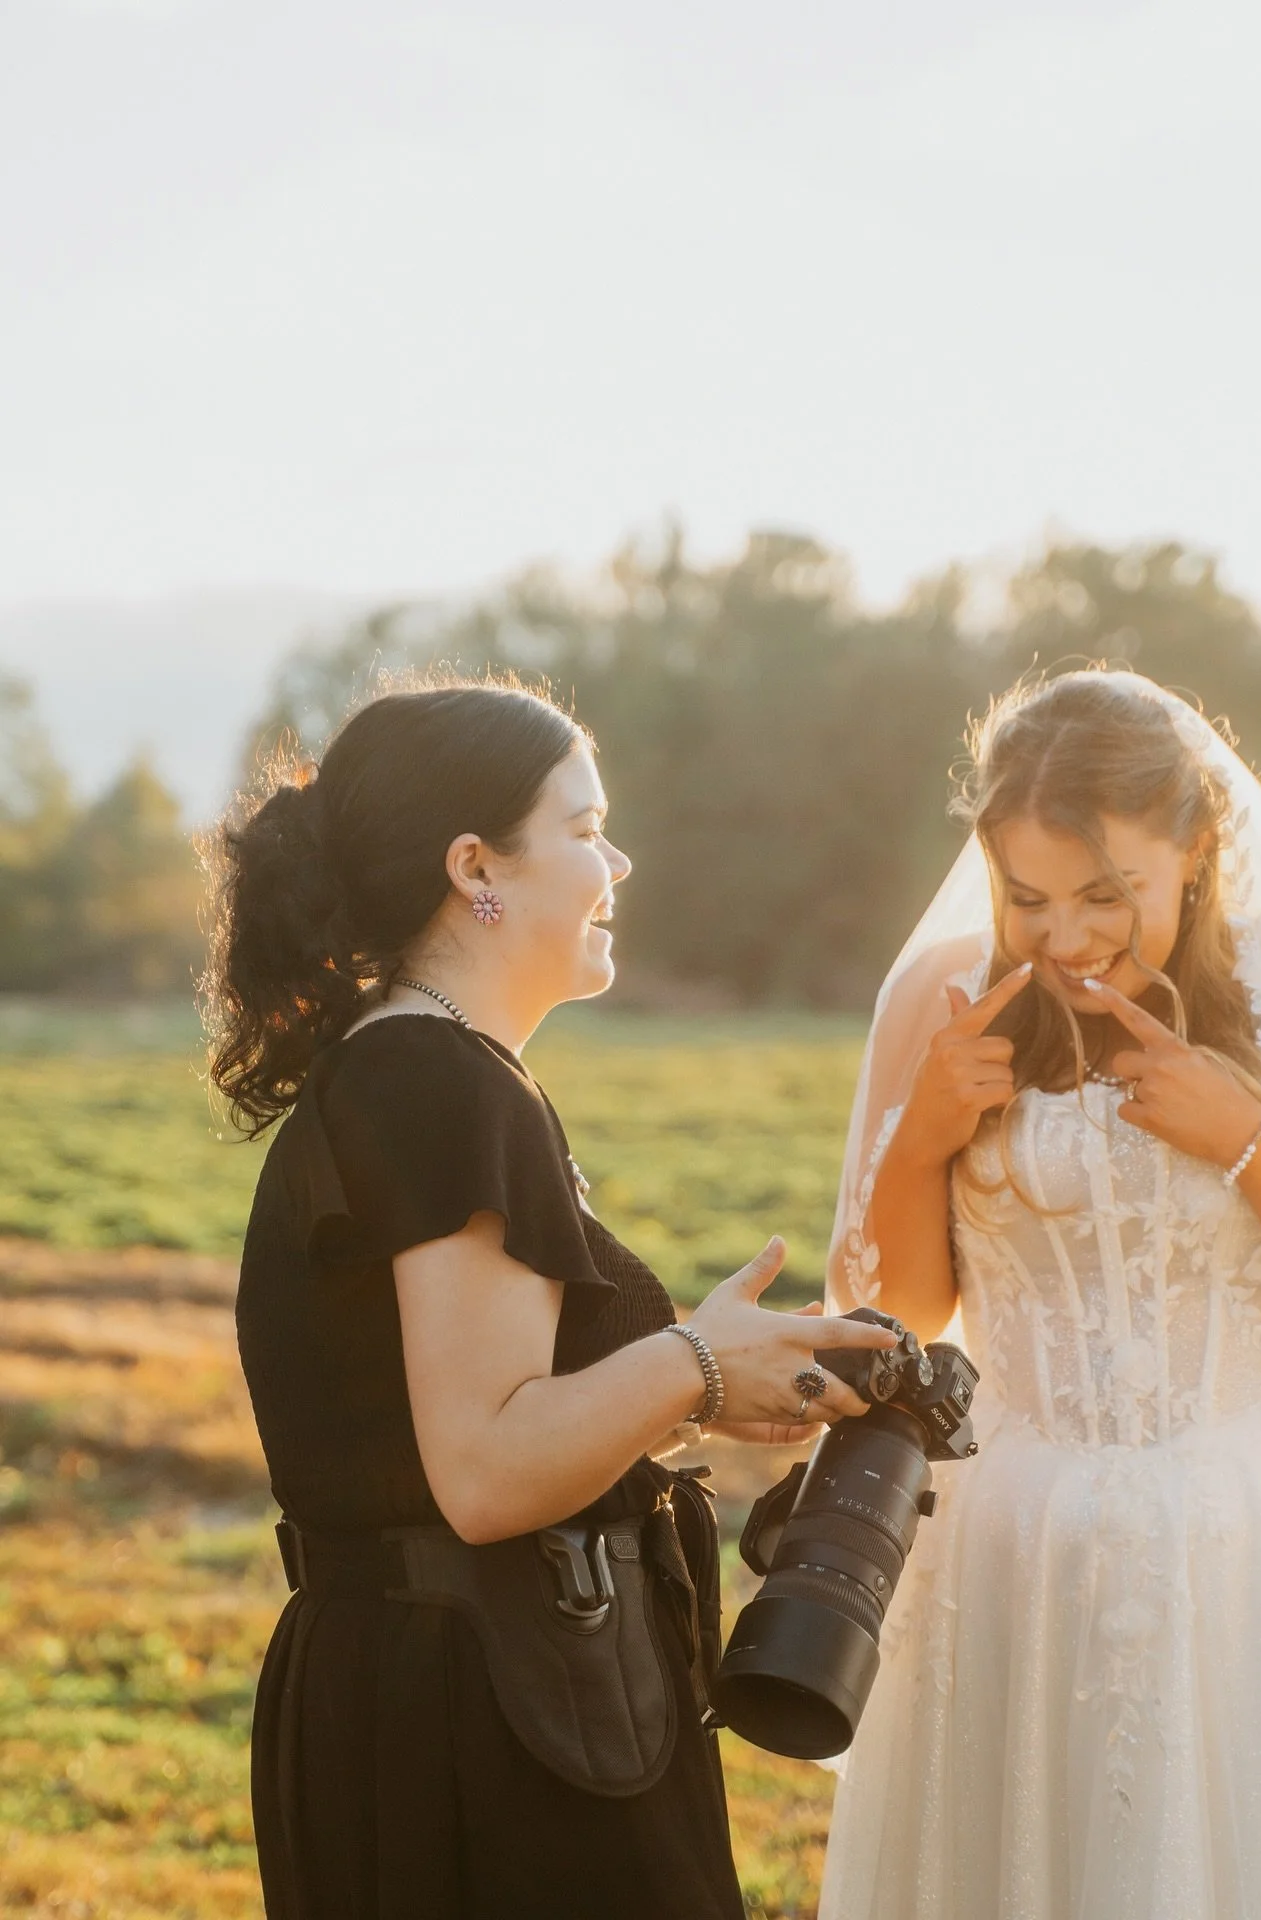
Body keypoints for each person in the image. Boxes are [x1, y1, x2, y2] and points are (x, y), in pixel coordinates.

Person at [201, 676, 895, 1920]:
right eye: (584, 827)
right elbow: (484, 1471)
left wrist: (710, 1387)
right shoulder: (439, 1083)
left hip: (435, 1687)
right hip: (495, 1719)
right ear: (478, 867)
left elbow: (455, 1432)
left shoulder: (418, 1066)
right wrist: (692, 1358)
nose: (615, 858)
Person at [819, 668, 1261, 1920]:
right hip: (1014, 1547)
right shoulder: (942, 995)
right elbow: (896, 1319)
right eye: (1027, 896)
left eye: (1110, 894)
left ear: (1199, 850)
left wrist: (1249, 1139)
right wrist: (925, 1135)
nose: (1064, 938)